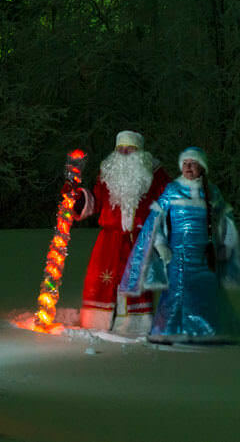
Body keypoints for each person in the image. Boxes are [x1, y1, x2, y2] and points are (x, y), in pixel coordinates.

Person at [119, 146, 240, 344]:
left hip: (206, 255)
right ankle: (170, 331)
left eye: (193, 163)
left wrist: (226, 245)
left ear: (202, 167)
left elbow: (225, 220)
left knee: (207, 293)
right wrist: (161, 245)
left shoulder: (212, 191)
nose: (188, 167)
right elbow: (155, 220)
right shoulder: (172, 189)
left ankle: (208, 332)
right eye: (185, 163)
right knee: (177, 292)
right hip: (178, 255)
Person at [73, 130, 172, 335]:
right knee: (100, 281)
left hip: (139, 240)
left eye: (130, 148)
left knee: (135, 283)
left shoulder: (155, 175)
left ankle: (133, 325)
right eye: (121, 148)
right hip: (108, 240)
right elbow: (97, 200)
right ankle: (98, 323)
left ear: (140, 151)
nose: (125, 152)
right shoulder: (107, 174)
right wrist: (80, 200)